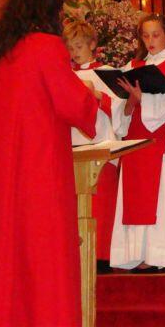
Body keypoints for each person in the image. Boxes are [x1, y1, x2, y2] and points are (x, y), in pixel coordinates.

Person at [0, 0, 99, 327]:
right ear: (49, 10)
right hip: (38, 170)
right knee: (41, 255)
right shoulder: (47, 47)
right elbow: (72, 103)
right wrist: (91, 95)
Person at [109, 14, 165, 272]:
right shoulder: (133, 64)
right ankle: (135, 254)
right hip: (135, 137)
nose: (151, 40)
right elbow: (120, 109)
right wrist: (132, 100)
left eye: (156, 35)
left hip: (161, 137)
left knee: (161, 196)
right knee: (135, 195)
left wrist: (144, 98)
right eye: (145, 35)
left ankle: (162, 254)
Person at [63, 20, 123, 272]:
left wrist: (97, 95)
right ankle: (75, 256)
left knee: (101, 204)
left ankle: (101, 256)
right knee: (73, 204)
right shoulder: (65, 74)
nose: (74, 52)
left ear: (92, 45)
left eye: (78, 46)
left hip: (100, 143)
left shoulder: (107, 72)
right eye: (70, 47)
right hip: (72, 145)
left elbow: (122, 108)